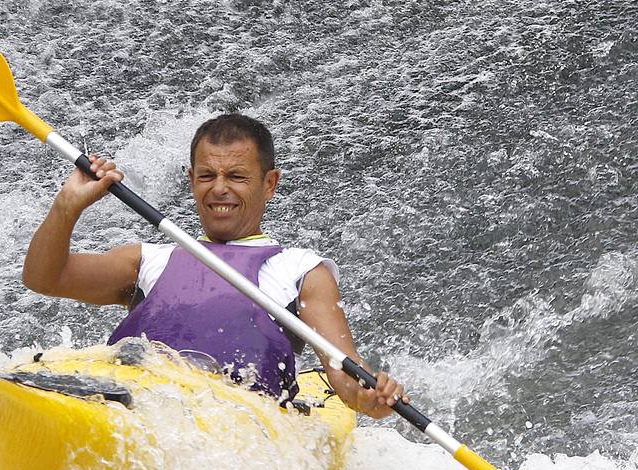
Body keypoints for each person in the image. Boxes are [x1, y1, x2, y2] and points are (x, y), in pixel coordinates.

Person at [22, 113, 407, 418]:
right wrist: (67, 207)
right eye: (207, 175)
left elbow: (342, 369)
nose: (219, 188)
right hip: (138, 407)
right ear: (191, 180)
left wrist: (368, 398)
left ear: (269, 183)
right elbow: (43, 277)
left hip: (237, 423)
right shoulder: (148, 260)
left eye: (237, 176)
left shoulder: (301, 271)